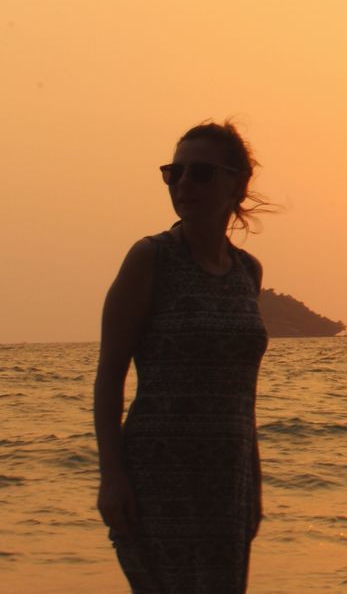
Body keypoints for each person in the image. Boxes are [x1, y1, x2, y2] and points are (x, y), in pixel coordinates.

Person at [94, 121, 272, 592]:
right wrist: (112, 477)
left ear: (237, 182)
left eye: (200, 173)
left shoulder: (247, 273)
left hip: (227, 481)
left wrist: (252, 481)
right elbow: (109, 376)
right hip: (157, 478)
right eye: (174, 173)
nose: (183, 184)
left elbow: (243, 394)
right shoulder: (150, 258)